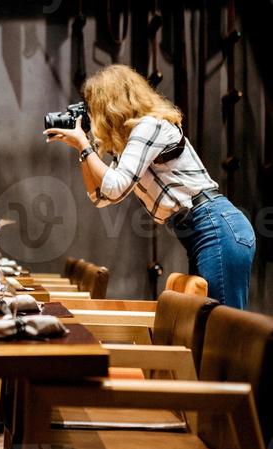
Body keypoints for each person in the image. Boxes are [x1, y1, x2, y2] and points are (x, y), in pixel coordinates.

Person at [44, 64, 256, 309]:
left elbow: (114, 187)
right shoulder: (129, 143)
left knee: (222, 325)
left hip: (215, 225)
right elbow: (101, 196)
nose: (91, 115)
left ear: (110, 103)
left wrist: (85, 145)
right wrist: (82, 151)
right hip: (200, 229)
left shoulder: (150, 126)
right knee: (210, 322)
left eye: (94, 106)